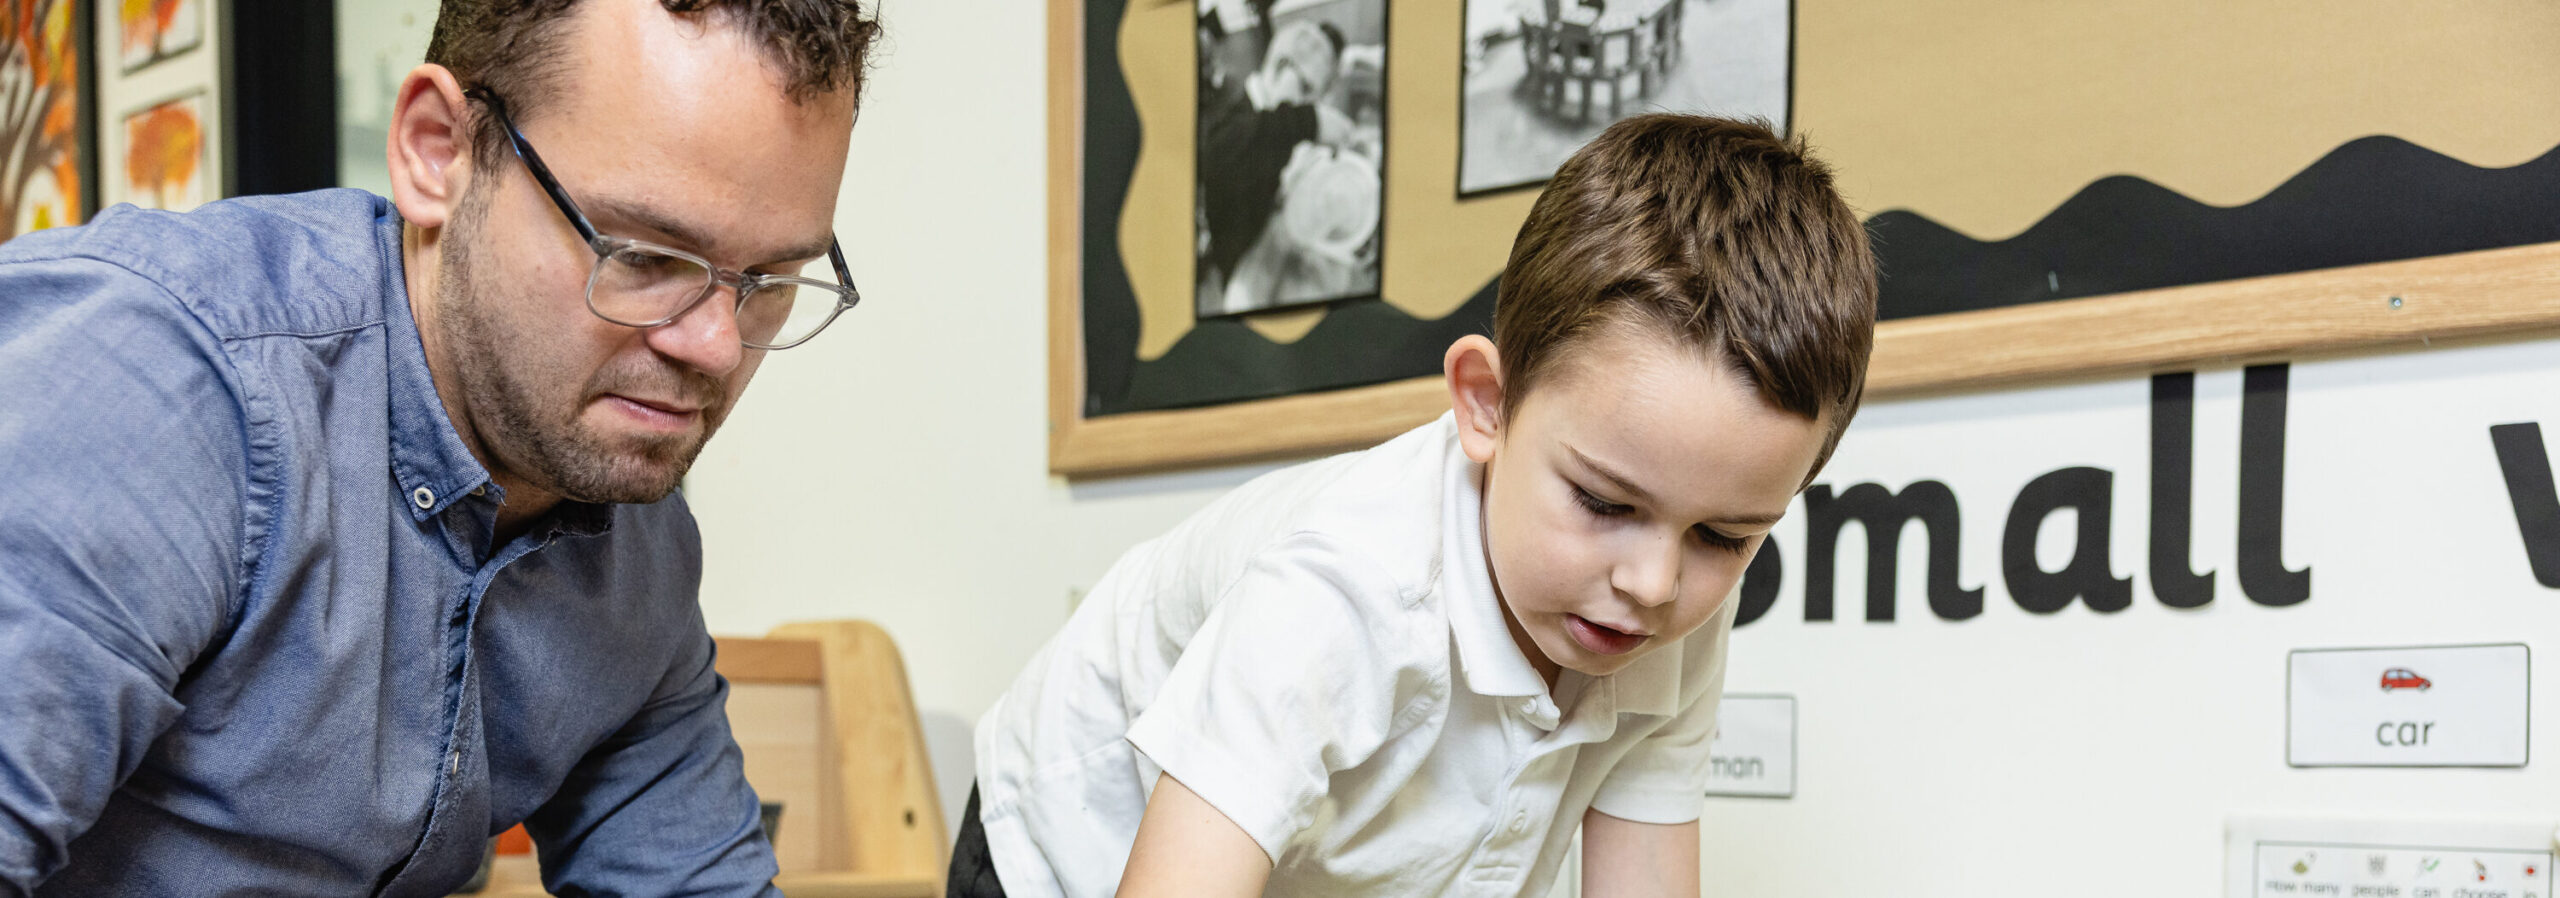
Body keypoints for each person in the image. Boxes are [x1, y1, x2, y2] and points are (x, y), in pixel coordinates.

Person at [0, 0, 877, 893]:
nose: (717, 349)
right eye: (645, 255)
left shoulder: (631, 540)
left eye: (770, 279)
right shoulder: (158, 385)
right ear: (438, 153)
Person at [956, 114, 1878, 898]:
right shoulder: (1343, 589)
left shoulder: (1663, 610)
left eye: (1723, 535)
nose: (1653, 582)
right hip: (1072, 845)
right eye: (1603, 502)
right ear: (1486, 405)